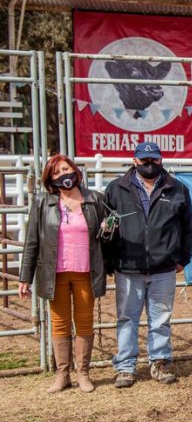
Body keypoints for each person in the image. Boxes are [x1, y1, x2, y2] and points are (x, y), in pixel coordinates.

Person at [105, 142, 192, 388]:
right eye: (144, 160)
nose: (149, 164)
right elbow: (106, 228)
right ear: (134, 161)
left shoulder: (177, 189)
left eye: (153, 160)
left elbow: (188, 228)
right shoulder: (116, 189)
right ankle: (125, 367)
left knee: (160, 318)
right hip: (128, 266)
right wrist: (110, 261)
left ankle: (160, 361)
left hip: (164, 267)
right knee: (126, 317)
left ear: (161, 160)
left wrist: (182, 259)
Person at [18, 155, 109, 393]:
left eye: (65, 169)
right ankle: (62, 374)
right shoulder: (43, 202)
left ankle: (83, 373)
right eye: (56, 173)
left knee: (84, 322)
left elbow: (106, 241)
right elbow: (31, 242)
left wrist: (110, 231)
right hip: (54, 273)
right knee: (59, 323)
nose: (62, 175)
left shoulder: (94, 200)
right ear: (50, 179)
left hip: (85, 272)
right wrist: (24, 278)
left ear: (75, 171)